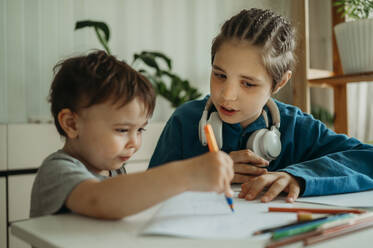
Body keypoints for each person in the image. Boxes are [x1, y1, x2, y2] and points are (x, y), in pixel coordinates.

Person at [149, 8, 373, 203]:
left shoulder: (298, 127)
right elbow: (146, 191)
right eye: (219, 75)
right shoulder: (184, 121)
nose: (227, 95)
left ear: (279, 83)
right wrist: (196, 176)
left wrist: (298, 176)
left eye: (247, 83)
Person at [30, 50, 234, 219]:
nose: (134, 143)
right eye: (122, 130)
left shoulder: (114, 170)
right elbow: (100, 200)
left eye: (140, 130)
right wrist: (188, 172)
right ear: (71, 124)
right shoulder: (57, 170)